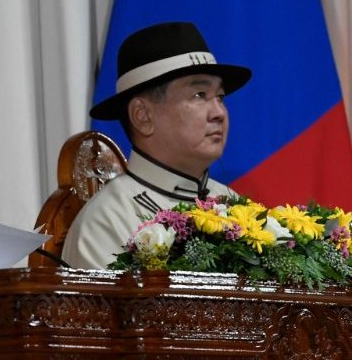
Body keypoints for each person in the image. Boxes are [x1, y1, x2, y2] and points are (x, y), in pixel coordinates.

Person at [62, 22, 251, 269]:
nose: (219, 113)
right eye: (199, 95)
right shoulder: (106, 222)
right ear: (142, 116)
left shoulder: (233, 204)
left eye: (220, 97)